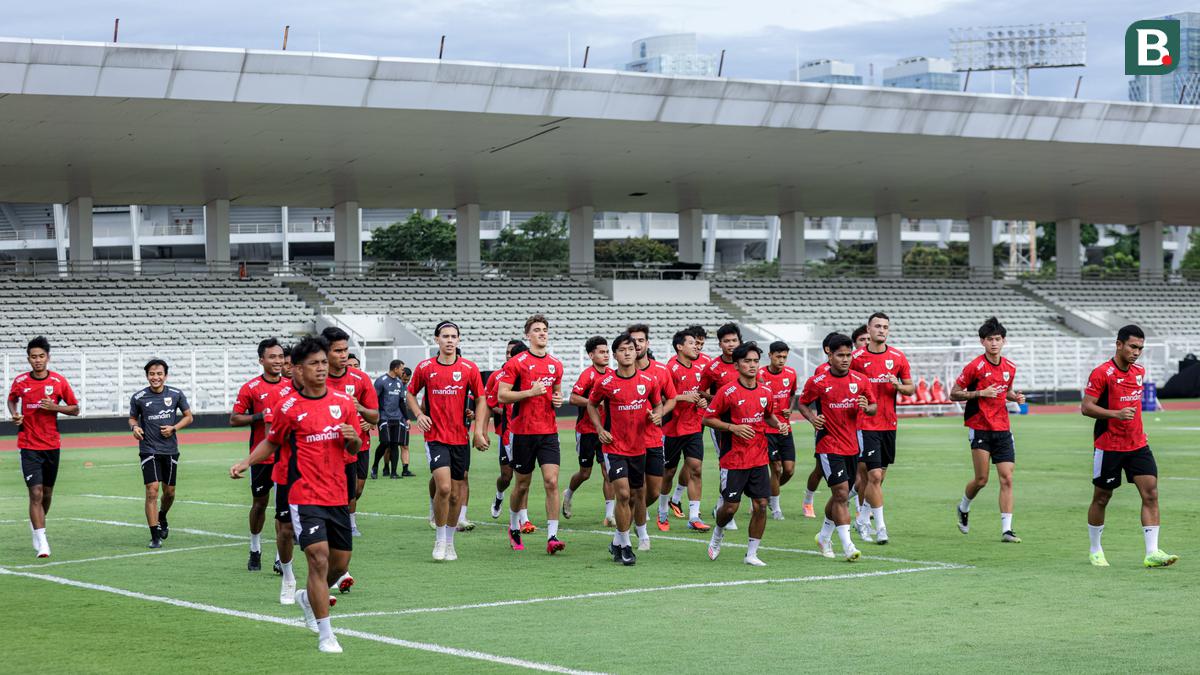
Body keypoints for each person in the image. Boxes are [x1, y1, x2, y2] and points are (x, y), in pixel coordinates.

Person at [231, 335, 362, 653]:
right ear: (299, 369)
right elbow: (272, 442)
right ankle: (326, 634)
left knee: (339, 564)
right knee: (318, 558)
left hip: (336, 495)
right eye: (314, 363)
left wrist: (353, 438)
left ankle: (308, 596)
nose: (321, 368)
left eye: (323, 362)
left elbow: (354, 446)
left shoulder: (343, 403)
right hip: (304, 496)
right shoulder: (288, 407)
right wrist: (247, 461)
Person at [1082, 325, 1178, 568]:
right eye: (1133, 347)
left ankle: (1152, 553)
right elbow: (1086, 407)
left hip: (1137, 444)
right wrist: (1116, 414)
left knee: (1151, 493)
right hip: (1108, 445)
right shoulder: (1101, 373)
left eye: (1140, 348)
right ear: (1119, 344)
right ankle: (1095, 550)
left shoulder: (1139, 372)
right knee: (1102, 497)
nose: (1136, 352)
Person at [407, 322, 490, 561]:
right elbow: (410, 393)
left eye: (454, 336)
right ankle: (440, 539)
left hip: (460, 438)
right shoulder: (425, 367)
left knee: (455, 495)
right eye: (445, 336)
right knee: (443, 488)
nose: (450, 340)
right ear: (437, 340)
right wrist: (419, 414)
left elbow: (481, 399)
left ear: (458, 340)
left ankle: (451, 542)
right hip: (435, 437)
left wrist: (478, 431)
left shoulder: (469, 368)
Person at [702, 342, 787, 566]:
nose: (752, 365)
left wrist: (778, 424)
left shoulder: (766, 391)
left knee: (761, 504)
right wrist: (733, 427)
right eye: (747, 361)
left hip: (759, 457)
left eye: (755, 361)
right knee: (731, 507)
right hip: (733, 459)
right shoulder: (727, 392)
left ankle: (751, 554)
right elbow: (707, 418)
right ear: (737, 365)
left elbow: (768, 415)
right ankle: (718, 533)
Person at [587, 333, 664, 566]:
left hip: (639, 447)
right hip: (614, 447)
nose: (628, 353)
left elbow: (658, 403)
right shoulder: (606, 382)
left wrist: (657, 415)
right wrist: (600, 428)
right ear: (615, 355)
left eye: (631, 348)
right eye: (622, 350)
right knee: (622, 494)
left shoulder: (648, 380)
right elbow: (591, 404)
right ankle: (627, 546)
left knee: (636, 495)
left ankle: (617, 542)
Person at [798, 333, 876, 562]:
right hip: (828, 444)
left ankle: (823, 536)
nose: (845, 359)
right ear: (829, 355)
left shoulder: (860, 380)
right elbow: (803, 403)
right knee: (841, 494)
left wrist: (867, 407)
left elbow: (873, 407)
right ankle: (848, 546)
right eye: (840, 355)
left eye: (848, 355)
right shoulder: (818, 382)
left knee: (839, 495)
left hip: (852, 446)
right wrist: (813, 418)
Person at [951, 317, 1025, 544]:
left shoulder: (1010, 367)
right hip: (980, 427)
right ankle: (963, 507)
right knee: (982, 479)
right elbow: (954, 393)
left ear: (1004, 341)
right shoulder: (974, 367)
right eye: (990, 339)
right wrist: (980, 393)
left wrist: (1015, 396)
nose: (994, 343)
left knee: (1007, 478)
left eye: (997, 339)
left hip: (1003, 428)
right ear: (982, 342)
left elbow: (1005, 391)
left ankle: (1007, 530)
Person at [497, 314, 566, 554]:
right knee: (522, 485)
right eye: (537, 330)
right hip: (523, 433)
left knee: (552, 481)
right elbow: (502, 395)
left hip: (548, 432)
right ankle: (514, 526)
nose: (542, 333)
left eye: (544, 329)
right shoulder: (517, 363)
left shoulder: (556, 364)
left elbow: (556, 393)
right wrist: (529, 392)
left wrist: (558, 399)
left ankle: (552, 536)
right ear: (528, 335)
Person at [8, 336, 79, 558]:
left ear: (48, 357)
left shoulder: (58, 381)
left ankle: (36, 526)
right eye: (33, 357)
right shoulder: (21, 381)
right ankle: (42, 541)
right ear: (28, 359)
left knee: (47, 493)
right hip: (28, 445)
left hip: (51, 444)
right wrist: (15, 414)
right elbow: (12, 399)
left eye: (41, 356)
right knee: (35, 492)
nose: (37, 360)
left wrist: (55, 407)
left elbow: (75, 409)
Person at [850, 313, 913, 545]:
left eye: (885, 327)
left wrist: (898, 385)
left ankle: (861, 520)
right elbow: (846, 384)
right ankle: (881, 527)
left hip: (889, 423)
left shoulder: (897, 357)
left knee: (877, 479)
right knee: (874, 475)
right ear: (869, 329)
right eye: (877, 326)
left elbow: (910, 388)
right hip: (865, 423)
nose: (882, 330)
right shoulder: (856, 358)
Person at [231, 338, 290, 571]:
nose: (278, 361)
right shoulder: (251, 387)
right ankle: (255, 548)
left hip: (286, 457)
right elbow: (235, 418)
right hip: (261, 456)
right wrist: (259, 416)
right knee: (260, 504)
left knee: (283, 509)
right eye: (272, 357)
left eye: (280, 356)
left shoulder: (292, 387)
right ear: (261, 360)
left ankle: (279, 558)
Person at [320, 327, 379, 542]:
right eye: (338, 351)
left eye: (345, 350)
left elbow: (375, 416)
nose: (344, 355)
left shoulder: (360, 379)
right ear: (325, 351)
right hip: (320, 452)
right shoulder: (315, 378)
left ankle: (347, 525)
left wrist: (360, 409)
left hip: (353, 449)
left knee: (353, 492)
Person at [128, 359, 193, 549]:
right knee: (152, 490)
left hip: (170, 450)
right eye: (152, 374)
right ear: (147, 375)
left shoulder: (175, 394)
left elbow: (189, 417)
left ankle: (162, 516)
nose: (155, 377)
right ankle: (155, 536)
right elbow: (132, 418)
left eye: (159, 374)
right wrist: (135, 428)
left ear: (165, 375)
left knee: (169, 492)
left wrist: (174, 428)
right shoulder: (138, 397)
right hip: (148, 449)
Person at [629, 323, 677, 545]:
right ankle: (636, 532)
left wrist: (660, 414)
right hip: (628, 443)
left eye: (641, 340)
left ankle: (630, 513)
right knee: (635, 490)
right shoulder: (621, 372)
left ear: (647, 343)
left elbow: (672, 398)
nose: (637, 344)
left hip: (654, 439)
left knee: (654, 492)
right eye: (633, 341)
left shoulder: (661, 371)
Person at [562, 336, 614, 523]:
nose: (606, 355)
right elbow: (573, 398)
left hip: (605, 431)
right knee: (585, 473)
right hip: (586, 431)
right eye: (601, 352)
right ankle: (568, 493)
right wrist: (594, 402)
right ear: (591, 355)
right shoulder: (587, 375)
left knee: (608, 471)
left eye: (607, 352)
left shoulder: (612, 374)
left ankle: (609, 515)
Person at [663, 329, 711, 531]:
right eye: (692, 343)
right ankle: (662, 512)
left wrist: (702, 400)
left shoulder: (701, 366)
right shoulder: (670, 368)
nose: (696, 347)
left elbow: (702, 392)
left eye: (698, 343)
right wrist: (684, 397)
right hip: (673, 428)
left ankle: (694, 517)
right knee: (668, 472)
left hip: (694, 425)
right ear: (680, 347)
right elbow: (663, 397)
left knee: (695, 468)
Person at [700, 322, 744, 530]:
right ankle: (726, 507)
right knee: (727, 464)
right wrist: (721, 399)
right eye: (726, 341)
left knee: (743, 463)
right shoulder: (712, 368)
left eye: (734, 340)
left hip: (746, 423)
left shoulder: (746, 363)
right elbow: (701, 391)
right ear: (720, 344)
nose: (731, 344)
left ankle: (723, 504)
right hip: (721, 424)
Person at [801, 332, 842, 519]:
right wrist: (813, 419)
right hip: (827, 428)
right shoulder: (821, 371)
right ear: (828, 350)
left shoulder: (852, 371)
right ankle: (808, 501)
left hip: (849, 430)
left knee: (858, 469)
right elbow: (812, 397)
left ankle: (858, 508)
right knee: (819, 469)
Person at [758, 341, 798, 521]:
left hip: (785, 428)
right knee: (776, 467)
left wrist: (790, 408)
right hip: (767, 428)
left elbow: (792, 394)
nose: (781, 360)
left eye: (784, 357)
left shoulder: (791, 373)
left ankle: (766, 493)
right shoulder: (760, 375)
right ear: (770, 355)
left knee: (788, 470)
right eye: (778, 356)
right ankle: (775, 508)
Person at [487, 340, 525, 520]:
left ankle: (523, 519)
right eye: (507, 352)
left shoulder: (529, 375)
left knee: (522, 477)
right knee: (506, 477)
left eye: (513, 353)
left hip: (525, 433)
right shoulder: (497, 376)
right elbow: (489, 402)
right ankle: (499, 496)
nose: (509, 355)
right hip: (506, 433)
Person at [372, 360, 406, 479]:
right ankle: (375, 466)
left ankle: (394, 473)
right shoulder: (381, 381)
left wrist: (406, 418)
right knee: (385, 442)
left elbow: (401, 402)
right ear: (395, 369)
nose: (403, 371)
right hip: (384, 417)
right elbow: (373, 399)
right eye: (402, 369)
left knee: (394, 444)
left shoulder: (399, 383)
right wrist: (374, 416)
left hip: (397, 418)